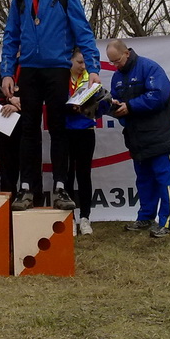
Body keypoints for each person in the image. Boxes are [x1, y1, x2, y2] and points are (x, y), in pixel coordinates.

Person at [1, 0, 101, 211]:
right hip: (29, 70)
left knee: (58, 128)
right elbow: (11, 36)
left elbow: (83, 31)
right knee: (28, 130)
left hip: (57, 68)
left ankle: (60, 187)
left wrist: (93, 67)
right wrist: (8, 71)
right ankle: (27, 189)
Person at [107, 39, 170, 239]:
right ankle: (146, 217)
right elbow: (116, 100)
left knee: (164, 179)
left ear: (126, 53)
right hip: (136, 138)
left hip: (159, 136)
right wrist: (113, 106)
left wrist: (130, 106)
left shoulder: (150, 67)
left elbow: (159, 95)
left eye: (117, 60)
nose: (116, 65)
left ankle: (167, 222)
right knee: (144, 180)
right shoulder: (117, 77)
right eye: (112, 62)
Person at [66, 50, 96, 235]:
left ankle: (85, 218)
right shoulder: (61, 77)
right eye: (79, 62)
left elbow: (99, 103)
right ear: (70, 60)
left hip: (86, 130)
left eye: (85, 63)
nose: (83, 66)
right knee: (67, 175)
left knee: (84, 175)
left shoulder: (90, 77)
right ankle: (70, 217)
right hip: (66, 131)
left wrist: (85, 107)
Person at [0, 60, 22, 199]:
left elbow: (37, 95)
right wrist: (9, 100)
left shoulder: (31, 66)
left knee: (29, 166)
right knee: (6, 169)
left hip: (27, 123)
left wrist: (18, 105)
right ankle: (8, 203)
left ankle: (31, 201)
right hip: (4, 122)